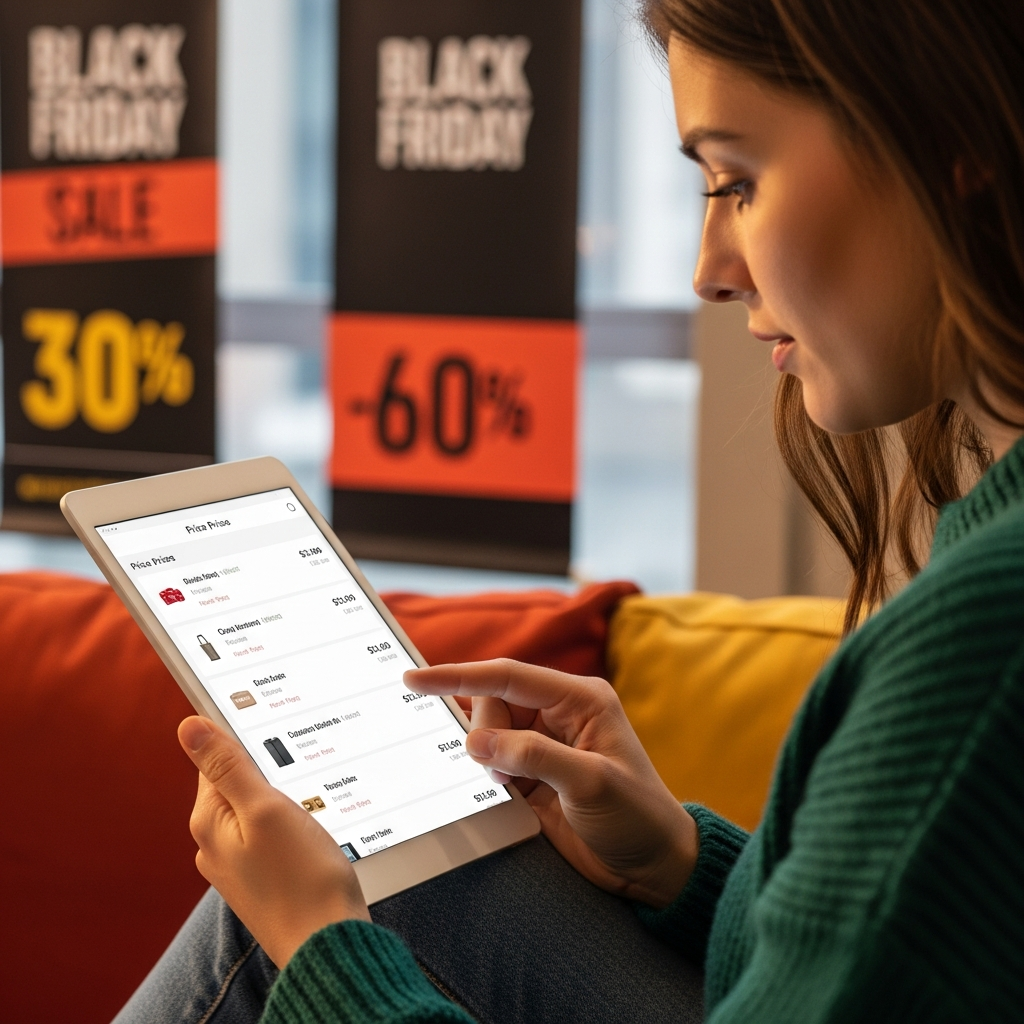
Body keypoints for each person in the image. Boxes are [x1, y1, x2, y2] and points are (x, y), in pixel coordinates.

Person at [115, 0, 1024, 1021]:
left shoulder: (983, 641)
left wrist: (326, 956)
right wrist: (680, 864)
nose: (709, 271)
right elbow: (884, 965)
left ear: (953, 143)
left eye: (736, 180)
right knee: (400, 867)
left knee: (296, 916)